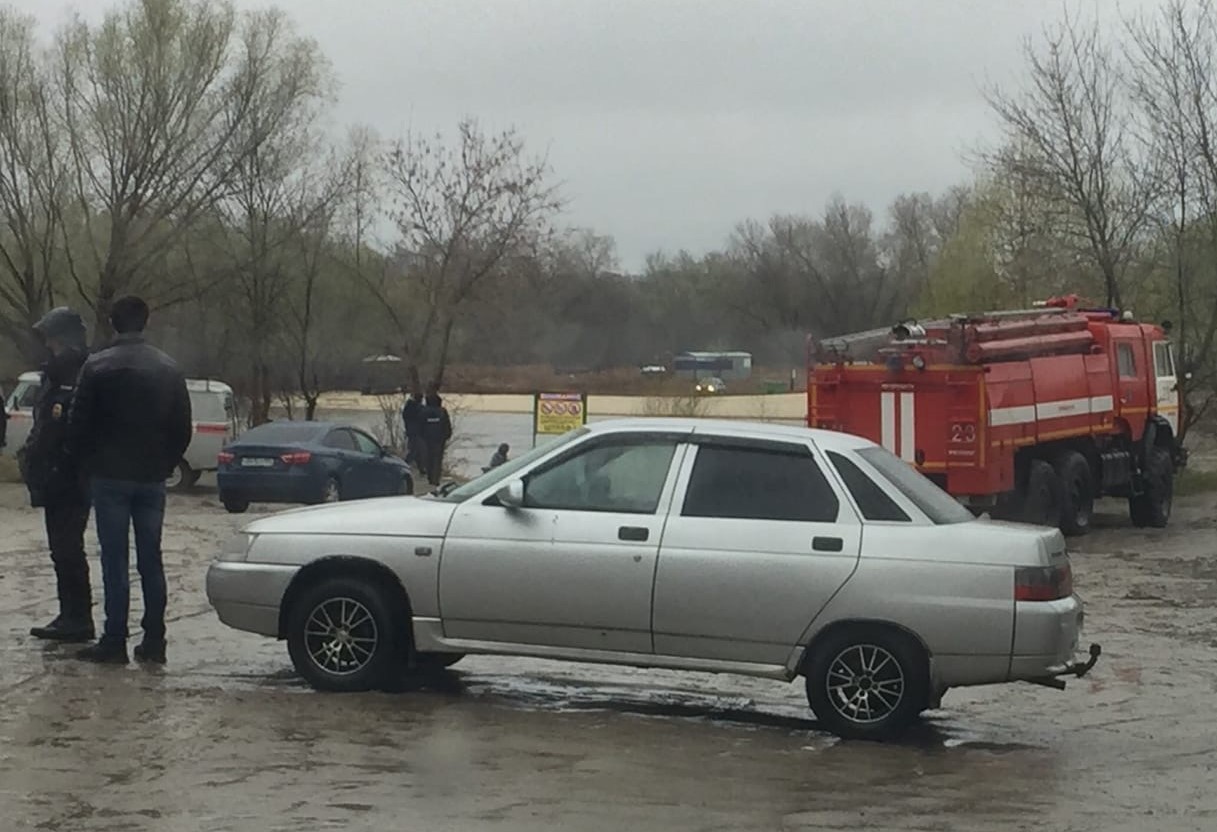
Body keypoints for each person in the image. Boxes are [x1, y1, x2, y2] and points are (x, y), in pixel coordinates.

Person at [66, 296, 192, 665]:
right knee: (151, 559)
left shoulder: (96, 366)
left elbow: (78, 425)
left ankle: (114, 639)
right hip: (152, 478)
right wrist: (165, 463)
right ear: (146, 323)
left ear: (112, 322)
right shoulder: (169, 368)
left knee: (114, 559)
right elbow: (182, 428)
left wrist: (88, 465)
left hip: (109, 476)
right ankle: (155, 639)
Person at [21, 308, 93, 642]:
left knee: (67, 548)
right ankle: (71, 615)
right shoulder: (56, 371)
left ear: (60, 338)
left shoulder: (77, 371)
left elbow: (64, 425)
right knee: (62, 549)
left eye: (50, 336)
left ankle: (77, 619)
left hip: (69, 474)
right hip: (56, 472)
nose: (46, 343)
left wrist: (57, 460)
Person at [419, 383, 452, 487]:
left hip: (427, 440)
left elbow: (420, 426)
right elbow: (447, 426)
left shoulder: (423, 412)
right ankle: (435, 479)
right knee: (437, 460)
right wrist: (446, 436)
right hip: (439, 440)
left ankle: (430, 477)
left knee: (428, 459)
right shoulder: (442, 412)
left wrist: (422, 437)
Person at [401, 388, 424, 467]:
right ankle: (405, 464)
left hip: (411, 431)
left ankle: (421, 467)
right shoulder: (417, 408)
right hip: (415, 432)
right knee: (415, 450)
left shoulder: (409, 407)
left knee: (417, 450)